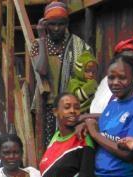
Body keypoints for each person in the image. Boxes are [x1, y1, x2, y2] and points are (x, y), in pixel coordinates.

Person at [31, 1, 91, 150]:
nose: (56, 28)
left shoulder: (80, 47)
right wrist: (42, 37)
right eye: (52, 24)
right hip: (49, 108)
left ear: (67, 23)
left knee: (71, 148)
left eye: (61, 24)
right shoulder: (38, 45)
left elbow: (87, 82)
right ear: (45, 24)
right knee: (49, 148)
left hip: (73, 109)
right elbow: (42, 70)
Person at [91, 37, 133, 114]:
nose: (129, 62)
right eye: (125, 58)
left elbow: (125, 115)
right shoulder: (106, 81)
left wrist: (87, 117)